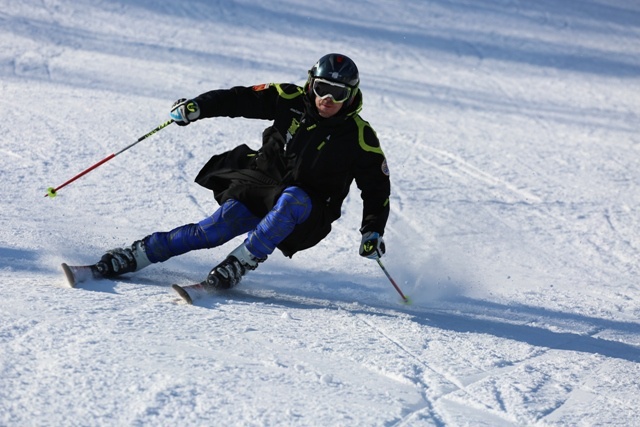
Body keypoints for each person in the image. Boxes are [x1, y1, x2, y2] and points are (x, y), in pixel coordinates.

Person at [93, 53, 391, 289]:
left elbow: (376, 188)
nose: (327, 99)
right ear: (311, 83)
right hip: (262, 184)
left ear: (351, 95)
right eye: (322, 89)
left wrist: (372, 230)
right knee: (212, 230)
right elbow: (239, 98)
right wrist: (199, 106)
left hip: (309, 210)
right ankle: (135, 255)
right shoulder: (288, 99)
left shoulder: (359, 137)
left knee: (294, 198)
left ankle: (241, 262)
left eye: (338, 93)